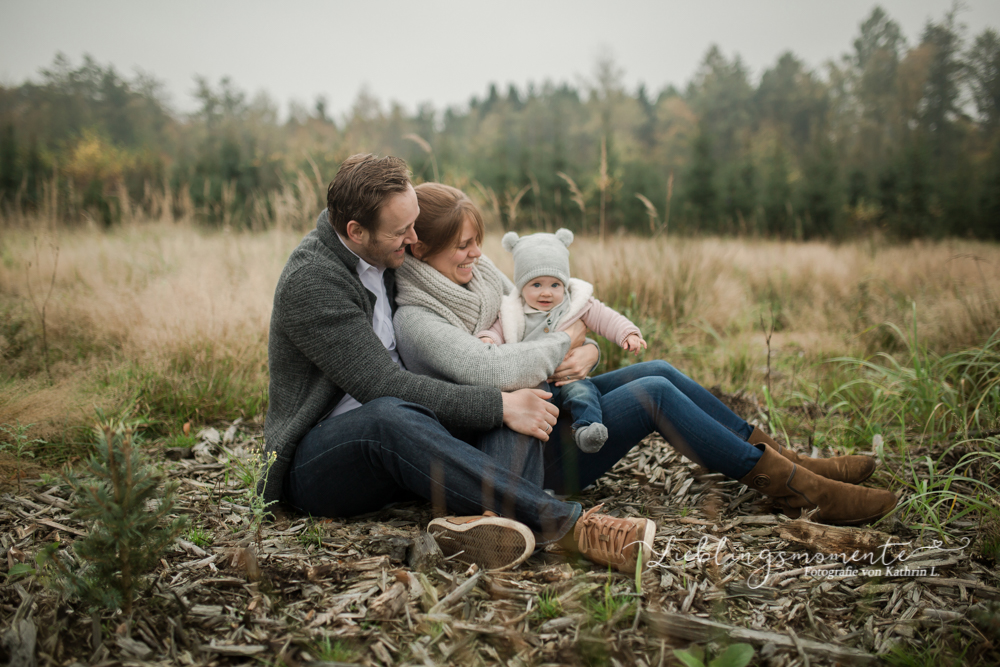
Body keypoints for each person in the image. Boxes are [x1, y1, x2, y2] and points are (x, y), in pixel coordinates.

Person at [392, 183, 898, 529]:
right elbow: (497, 369)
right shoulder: (416, 319)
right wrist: (568, 345)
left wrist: (588, 351)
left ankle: (793, 464)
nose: (478, 254)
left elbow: (543, 319)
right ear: (420, 250)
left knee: (657, 370)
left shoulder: (476, 277)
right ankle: (796, 491)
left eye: (478, 242)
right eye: (463, 245)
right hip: (516, 464)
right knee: (652, 394)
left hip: (548, 409)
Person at [261, 154, 655, 575]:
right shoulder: (314, 280)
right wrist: (498, 406)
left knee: (508, 391)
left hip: (413, 436)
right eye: (402, 231)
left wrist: (582, 344)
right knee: (393, 415)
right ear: (356, 232)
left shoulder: (392, 251)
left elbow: (517, 311)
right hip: (324, 461)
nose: (415, 238)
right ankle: (568, 524)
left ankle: (483, 526)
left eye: (415, 224)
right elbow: (382, 385)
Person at [475, 228, 645, 454]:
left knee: (584, 393)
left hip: (567, 379)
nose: (546, 293)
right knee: (533, 418)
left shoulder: (575, 304)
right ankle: (538, 459)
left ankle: (586, 430)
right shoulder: (512, 311)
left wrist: (627, 333)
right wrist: (488, 338)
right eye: (536, 285)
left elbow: (606, 318)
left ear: (564, 285)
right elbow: (498, 330)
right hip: (532, 384)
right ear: (521, 285)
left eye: (555, 285)